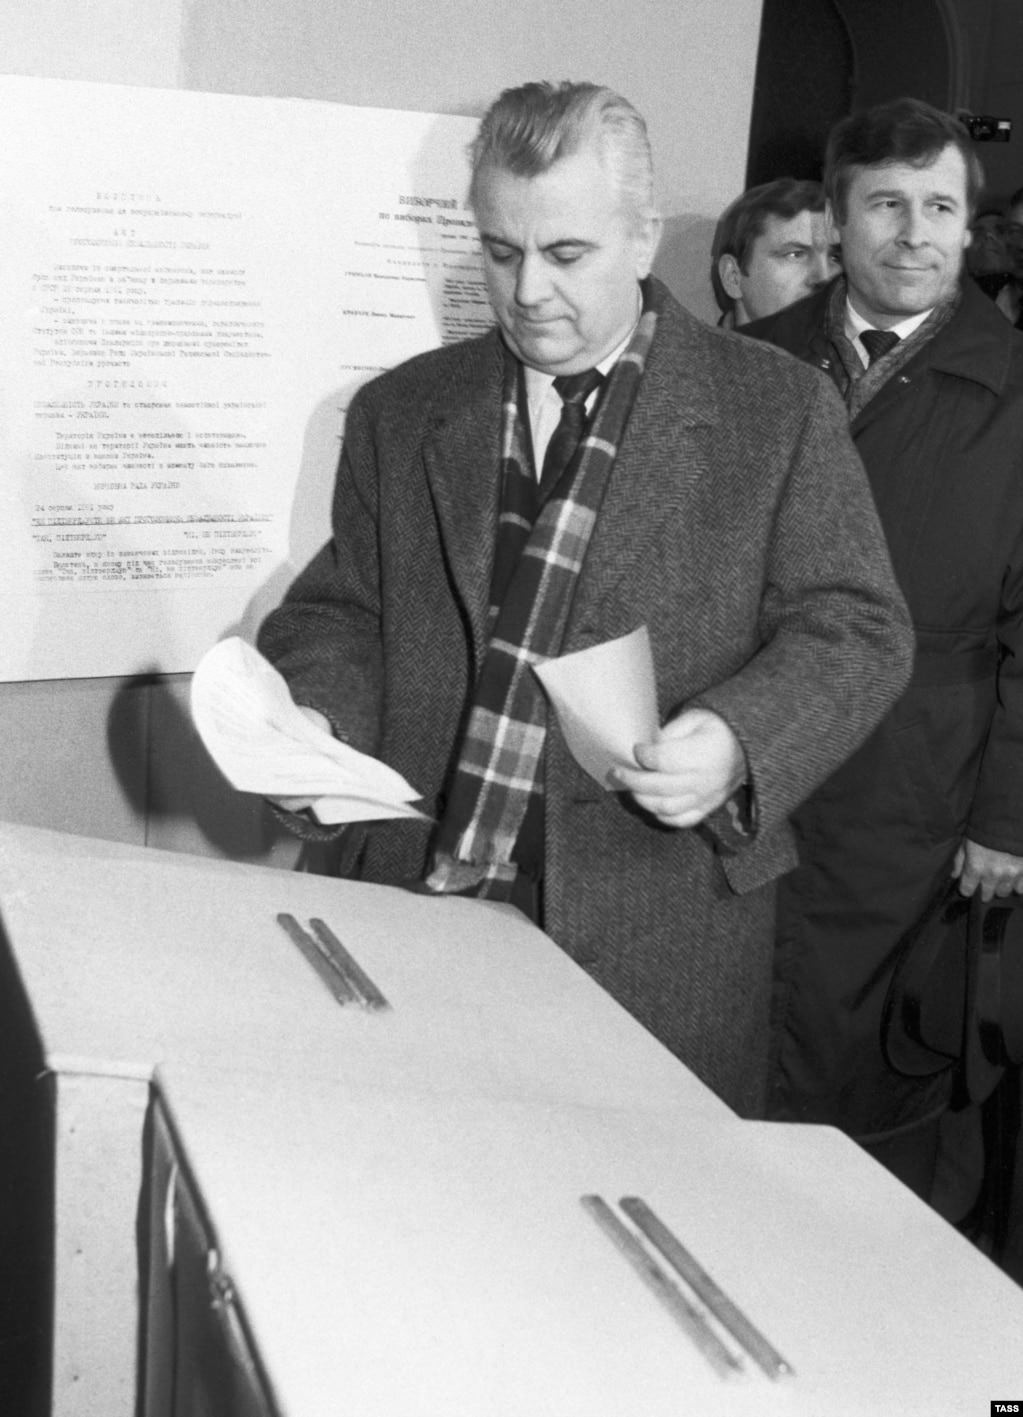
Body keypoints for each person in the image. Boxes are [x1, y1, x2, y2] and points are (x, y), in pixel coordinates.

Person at [257, 81, 913, 1117]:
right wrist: (313, 726)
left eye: (566, 255)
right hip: (416, 903)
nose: (526, 292)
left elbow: (859, 627)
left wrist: (739, 737)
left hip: (657, 934)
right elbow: (343, 610)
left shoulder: (775, 408)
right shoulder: (402, 409)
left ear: (642, 236)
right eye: (499, 251)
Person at [743, 96, 1023, 1195]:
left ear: (968, 227)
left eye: (942, 206)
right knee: (747, 1034)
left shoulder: (1013, 392)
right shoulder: (753, 364)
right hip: (759, 754)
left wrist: (1007, 820)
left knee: (884, 1074)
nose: (916, 232)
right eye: (889, 205)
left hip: (924, 782)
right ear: (839, 217)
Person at [711, 177, 841, 327]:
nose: (824, 278)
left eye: (835, 258)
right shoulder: (692, 350)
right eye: (795, 255)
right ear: (733, 277)